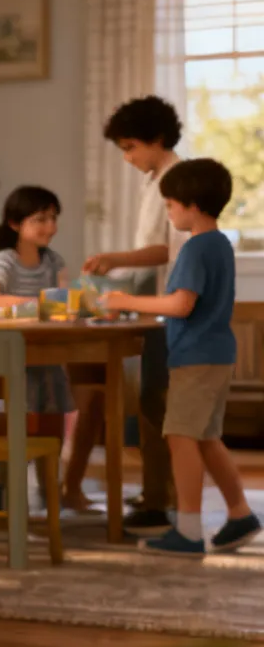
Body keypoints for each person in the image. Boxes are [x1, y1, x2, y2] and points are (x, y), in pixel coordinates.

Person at [101, 158, 261, 554]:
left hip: (197, 356)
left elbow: (181, 304)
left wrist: (126, 300)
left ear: (191, 204)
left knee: (179, 435)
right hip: (216, 354)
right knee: (206, 438)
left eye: (170, 205)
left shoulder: (195, 248)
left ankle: (188, 530)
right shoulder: (220, 244)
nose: (168, 212)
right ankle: (240, 513)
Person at [83, 95, 188, 535]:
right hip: (161, 306)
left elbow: (164, 248)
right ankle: (156, 494)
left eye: (131, 147)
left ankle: (169, 499)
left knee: (162, 405)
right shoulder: (158, 179)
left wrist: (114, 259)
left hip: (173, 307)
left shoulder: (175, 180)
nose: (127, 158)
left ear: (156, 139)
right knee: (153, 402)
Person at [0, 185, 108, 512]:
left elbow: (64, 304)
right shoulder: (4, 261)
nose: (50, 226)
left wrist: (82, 305)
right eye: (40, 219)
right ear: (14, 224)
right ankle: (6, 501)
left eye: (53, 218)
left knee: (51, 432)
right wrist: (42, 304)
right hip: (12, 363)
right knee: (13, 434)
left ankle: (52, 499)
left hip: (49, 360)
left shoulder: (53, 261)